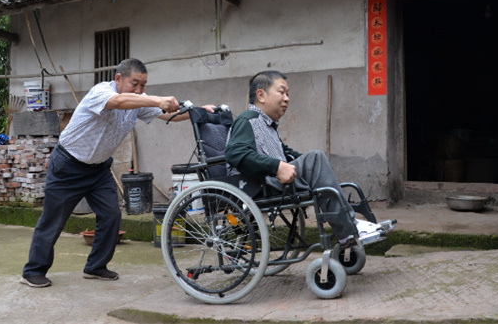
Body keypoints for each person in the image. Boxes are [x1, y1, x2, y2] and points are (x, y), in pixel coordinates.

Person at [21, 58, 184, 288]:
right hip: (68, 165)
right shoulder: (101, 92)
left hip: (98, 169)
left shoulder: (137, 101)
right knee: (53, 220)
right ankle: (33, 271)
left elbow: (166, 114)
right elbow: (117, 102)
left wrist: (198, 112)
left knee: (111, 215)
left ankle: (96, 267)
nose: (139, 90)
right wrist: (156, 99)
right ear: (118, 79)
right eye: (134, 84)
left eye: (143, 85)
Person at [224, 70, 385, 249]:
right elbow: (235, 153)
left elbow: (286, 153)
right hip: (259, 185)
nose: (287, 98)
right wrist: (276, 166)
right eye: (282, 92)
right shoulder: (248, 120)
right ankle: (349, 228)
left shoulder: (266, 124)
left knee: (316, 160)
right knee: (316, 158)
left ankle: (348, 228)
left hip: (274, 182)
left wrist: (314, 166)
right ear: (261, 95)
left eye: (288, 94)